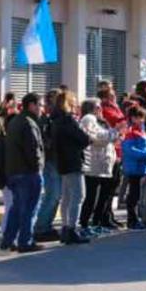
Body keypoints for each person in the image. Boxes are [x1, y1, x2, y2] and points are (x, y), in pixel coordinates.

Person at [0, 93, 45, 253]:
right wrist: (38, 168)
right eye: (40, 105)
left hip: (14, 171)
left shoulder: (16, 121)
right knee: (29, 209)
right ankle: (25, 241)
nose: (42, 108)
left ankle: (8, 239)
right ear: (31, 105)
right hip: (28, 173)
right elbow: (33, 151)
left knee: (17, 207)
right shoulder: (29, 123)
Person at [53, 90, 93, 245]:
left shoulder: (55, 120)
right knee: (78, 196)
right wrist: (87, 138)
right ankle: (71, 228)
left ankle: (65, 227)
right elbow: (82, 138)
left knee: (67, 197)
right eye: (74, 102)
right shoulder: (68, 120)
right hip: (73, 161)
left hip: (62, 161)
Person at [79, 99, 122, 233]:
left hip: (104, 165)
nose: (100, 110)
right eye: (98, 107)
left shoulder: (100, 121)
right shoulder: (88, 119)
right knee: (91, 197)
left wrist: (115, 134)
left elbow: (107, 137)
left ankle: (97, 223)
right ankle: (85, 225)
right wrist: (115, 132)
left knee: (102, 197)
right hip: (93, 165)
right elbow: (98, 137)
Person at [33, 89, 63, 242]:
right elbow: (43, 141)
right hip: (49, 161)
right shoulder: (44, 120)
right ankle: (41, 227)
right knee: (53, 194)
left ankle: (46, 225)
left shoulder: (51, 118)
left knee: (56, 195)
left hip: (55, 160)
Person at [121, 106, 146, 230]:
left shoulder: (139, 130)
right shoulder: (131, 131)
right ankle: (132, 220)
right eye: (139, 117)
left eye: (142, 117)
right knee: (134, 195)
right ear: (132, 118)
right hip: (134, 166)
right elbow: (129, 150)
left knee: (137, 194)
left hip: (140, 166)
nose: (142, 120)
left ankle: (135, 219)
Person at [97, 87, 127, 228]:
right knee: (108, 186)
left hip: (118, 149)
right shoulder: (105, 109)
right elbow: (118, 122)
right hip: (111, 150)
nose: (114, 98)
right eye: (111, 95)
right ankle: (103, 217)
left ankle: (109, 215)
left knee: (114, 185)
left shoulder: (115, 107)